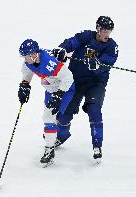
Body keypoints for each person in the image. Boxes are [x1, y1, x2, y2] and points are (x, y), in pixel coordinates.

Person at [52, 16, 119, 162]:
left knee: (94, 110)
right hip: (76, 80)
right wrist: (62, 49)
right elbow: (71, 43)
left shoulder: (112, 46)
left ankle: (97, 145)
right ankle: (61, 136)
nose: (107, 34)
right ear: (98, 29)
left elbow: (108, 62)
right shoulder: (86, 36)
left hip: (96, 83)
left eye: (109, 31)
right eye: (105, 31)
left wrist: (98, 65)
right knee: (66, 111)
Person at [18, 39, 74, 166]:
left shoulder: (50, 62)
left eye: (26, 56)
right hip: (51, 89)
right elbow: (27, 74)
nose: (25, 59)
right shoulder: (28, 63)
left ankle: (53, 143)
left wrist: (59, 94)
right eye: (24, 56)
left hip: (65, 88)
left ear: (34, 54)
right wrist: (24, 86)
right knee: (48, 117)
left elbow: (68, 77)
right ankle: (51, 146)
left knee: (53, 116)